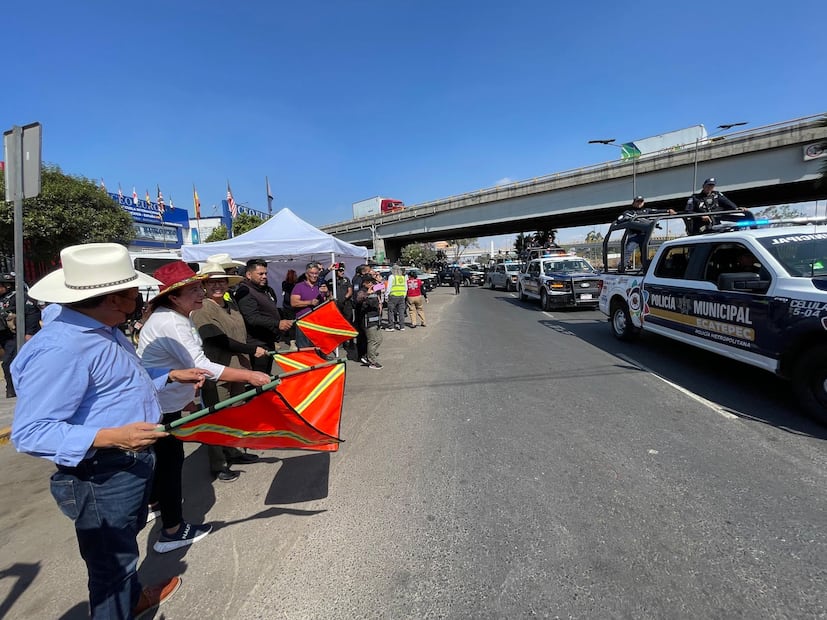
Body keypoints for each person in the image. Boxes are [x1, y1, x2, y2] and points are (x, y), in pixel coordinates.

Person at [10, 243, 209, 619]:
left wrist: (167, 375)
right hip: (101, 474)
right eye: (135, 290)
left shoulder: (102, 328)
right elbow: (32, 431)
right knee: (110, 570)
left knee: (123, 550)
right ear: (117, 299)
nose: (141, 298)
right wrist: (114, 437)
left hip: (127, 464)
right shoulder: (64, 347)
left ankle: (132, 599)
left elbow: (113, 384)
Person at [137, 262, 272, 553]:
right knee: (170, 462)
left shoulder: (175, 316)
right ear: (173, 296)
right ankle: (172, 530)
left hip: (166, 400)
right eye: (195, 289)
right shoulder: (171, 321)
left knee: (164, 460)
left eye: (201, 287)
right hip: (158, 405)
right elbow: (201, 364)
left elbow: (182, 365)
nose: (202, 292)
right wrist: (249, 375)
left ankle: (155, 503)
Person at [192, 261, 266, 482]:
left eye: (221, 281)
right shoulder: (202, 308)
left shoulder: (230, 304)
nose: (218, 286)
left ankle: (233, 450)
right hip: (218, 371)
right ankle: (218, 463)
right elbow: (217, 340)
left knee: (235, 414)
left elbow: (240, 333)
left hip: (239, 368)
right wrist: (252, 349)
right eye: (212, 282)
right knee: (218, 417)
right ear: (204, 285)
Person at [235, 258, 294, 373]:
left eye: (266, 273)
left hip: (268, 341)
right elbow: (252, 318)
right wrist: (277, 323)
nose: (264, 276)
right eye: (260, 274)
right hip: (256, 344)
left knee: (266, 375)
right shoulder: (245, 291)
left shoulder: (266, 289)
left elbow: (271, 309)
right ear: (249, 274)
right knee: (259, 378)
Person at [0, 272, 41, 397]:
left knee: (9, 362)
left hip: (15, 336)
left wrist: (29, 332)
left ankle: (13, 389)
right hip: (4, 336)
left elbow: (33, 314)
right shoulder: (3, 299)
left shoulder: (19, 297)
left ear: (7, 285)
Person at [618, 196, 676, 268]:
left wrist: (667, 211)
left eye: (641, 201)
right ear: (633, 203)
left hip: (644, 235)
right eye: (637, 201)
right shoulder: (629, 212)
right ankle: (622, 267)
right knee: (628, 251)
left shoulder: (647, 211)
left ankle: (645, 268)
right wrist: (628, 219)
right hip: (634, 236)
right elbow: (620, 219)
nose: (639, 203)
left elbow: (656, 211)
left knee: (645, 252)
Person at [290, 262, 328, 349]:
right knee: (305, 349)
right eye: (312, 273)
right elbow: (294, 303)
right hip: (304, 323)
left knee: (319, 348)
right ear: (306, 274)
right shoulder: (299, 286)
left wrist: (327, 293)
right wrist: (310, 302)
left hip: (318, 323)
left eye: (316, 273)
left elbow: (328, 303)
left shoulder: (320, 286)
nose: (314, 276)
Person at [354, 278, 383, 369]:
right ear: (365, 283)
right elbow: (358, 301)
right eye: (370, 282)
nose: (372, 284)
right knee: (373, 340)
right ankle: (371, 361)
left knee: (379, 339)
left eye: (372, 282)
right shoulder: (362, 292)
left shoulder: (375, 291)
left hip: (376, 319)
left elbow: (379, 302)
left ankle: (368, 355)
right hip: (368, 321)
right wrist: (367, 294)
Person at [385, 265, 407, 330]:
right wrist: (404, 295)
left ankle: (391, 327)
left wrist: (386, 296)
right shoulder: (403, 277)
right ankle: (402, 326)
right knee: (401, 312)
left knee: (390, 311)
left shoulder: (392, 277)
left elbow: (389, 287)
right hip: (401, 296)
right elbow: (406, 288)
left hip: (393, 296)